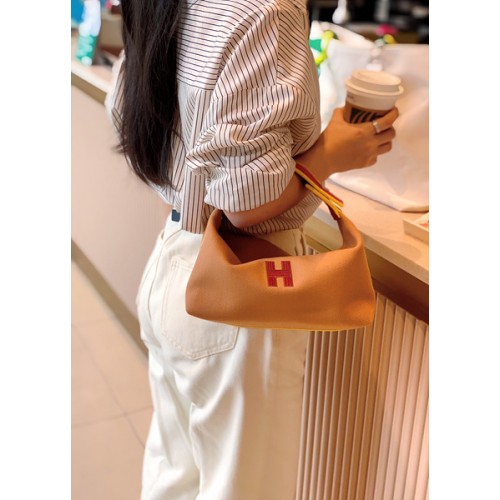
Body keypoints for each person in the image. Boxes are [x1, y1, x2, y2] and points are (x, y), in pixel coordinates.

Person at [105, 0, 398, 498]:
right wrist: (331, 154)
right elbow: (248, 204)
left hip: (174, 257)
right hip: (244, 286)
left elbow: (128, 115)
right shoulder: (265, 10)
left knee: (172, 478)